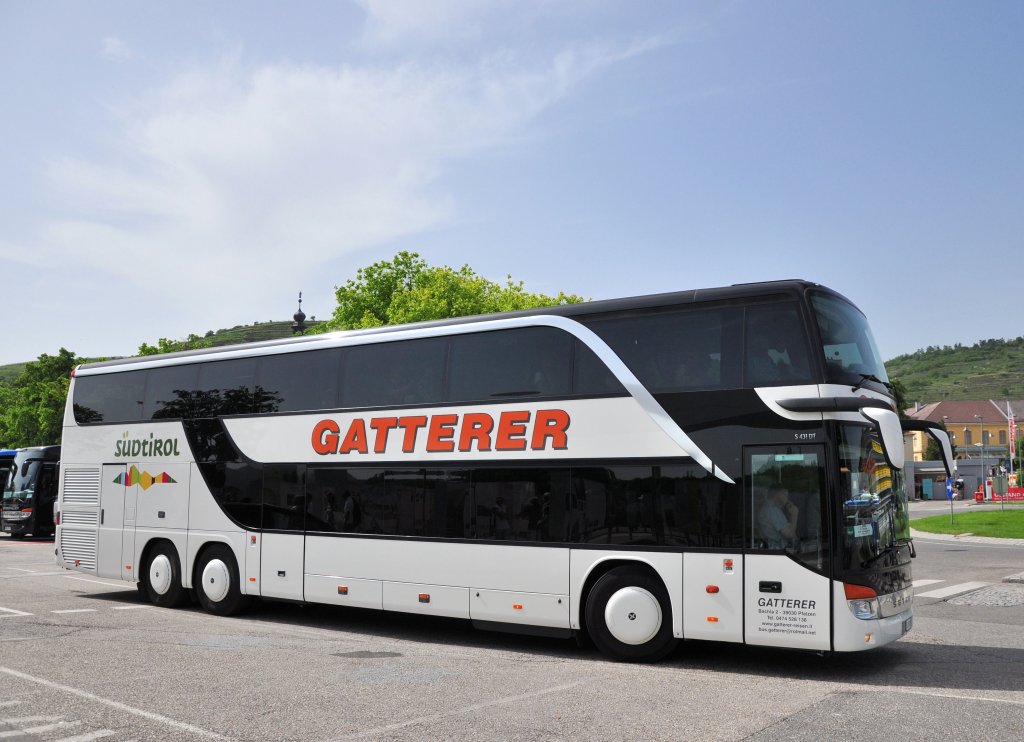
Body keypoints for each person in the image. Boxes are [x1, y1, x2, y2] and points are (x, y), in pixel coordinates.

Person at [757, 483, 799, 549]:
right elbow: (788, 534)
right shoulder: (772, 510)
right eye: (785, 495)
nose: (787, 498)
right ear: (778, 494)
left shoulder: (769, 507)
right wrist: (794, 515)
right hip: (777, 548)